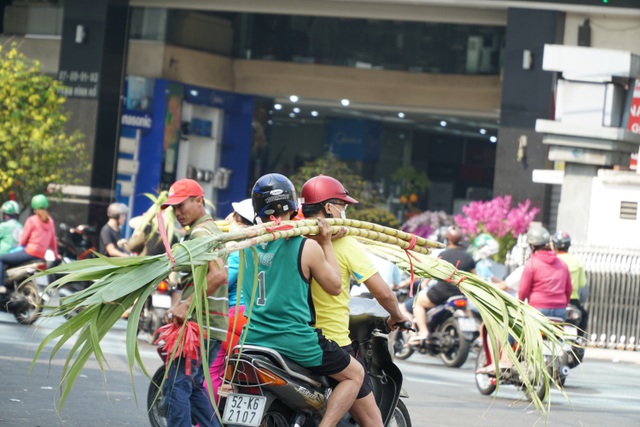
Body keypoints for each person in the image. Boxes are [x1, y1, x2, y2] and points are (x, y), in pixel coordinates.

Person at [241, 173, 364, 427]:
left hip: (250, 338)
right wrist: (326, 242)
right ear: (292, 205)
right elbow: (334, 286)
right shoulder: (305, 247)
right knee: (355, 374)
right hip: (294, 340)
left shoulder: (245, 244)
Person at [300, 174, 410, 427]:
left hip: (293, 335)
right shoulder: (345, 244)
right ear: (329, 208)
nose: (344, 212)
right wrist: (397, 315)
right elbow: (383, 293)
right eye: (342, 206)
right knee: (373, 422)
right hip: (331, 340)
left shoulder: (291, 238)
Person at [160, 178, 228, 427]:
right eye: (174, 208)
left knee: (175, 388)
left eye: (182, 205)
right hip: (212, 325)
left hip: (200, 324)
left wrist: (187, 304)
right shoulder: (210, 228)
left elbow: (219, 275)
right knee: (193, 386)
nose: (178, 213)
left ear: (199, 201)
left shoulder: (200, 232)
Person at [206, 198, 252, 405]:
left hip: (234, 316)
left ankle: (205, 420)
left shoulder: (236, 251)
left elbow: (221, 281)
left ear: (239, 222)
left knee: (213, 371)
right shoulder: (262, 248)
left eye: (234, 216)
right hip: (255, 317)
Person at [409, 225, 477, 342]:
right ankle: (478, 336)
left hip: (441, 293)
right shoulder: (468, 257)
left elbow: (431, 273)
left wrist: (425, 283)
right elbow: (475, 278)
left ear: (447, 239)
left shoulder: (443, 255)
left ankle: (424, 332)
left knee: (417, 303)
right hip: (460, 293)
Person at [0, 195, 58, 293]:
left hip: (29, 253)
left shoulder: (32, 219)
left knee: (1, 258)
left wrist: (19, 248)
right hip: (41, 256)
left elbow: (23, 239)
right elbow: (53, 241)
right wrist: (56, 255)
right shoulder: (50, 221)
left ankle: (0, 286)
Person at [518, 226, 572, 320]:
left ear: (532, 246)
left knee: (512, 332)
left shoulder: (531, 263)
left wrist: (519, 305)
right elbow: (568, 289)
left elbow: (523, 290)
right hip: (559, 312)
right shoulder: (562, 264)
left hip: (538, 310)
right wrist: (562, 305)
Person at [553, 230, 589, 336]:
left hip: (556, 300)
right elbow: (582, 283)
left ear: (555, 245)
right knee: (584, 315)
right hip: (573, 301)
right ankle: (579, 340)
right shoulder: (576, 261)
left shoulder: (554, 260)